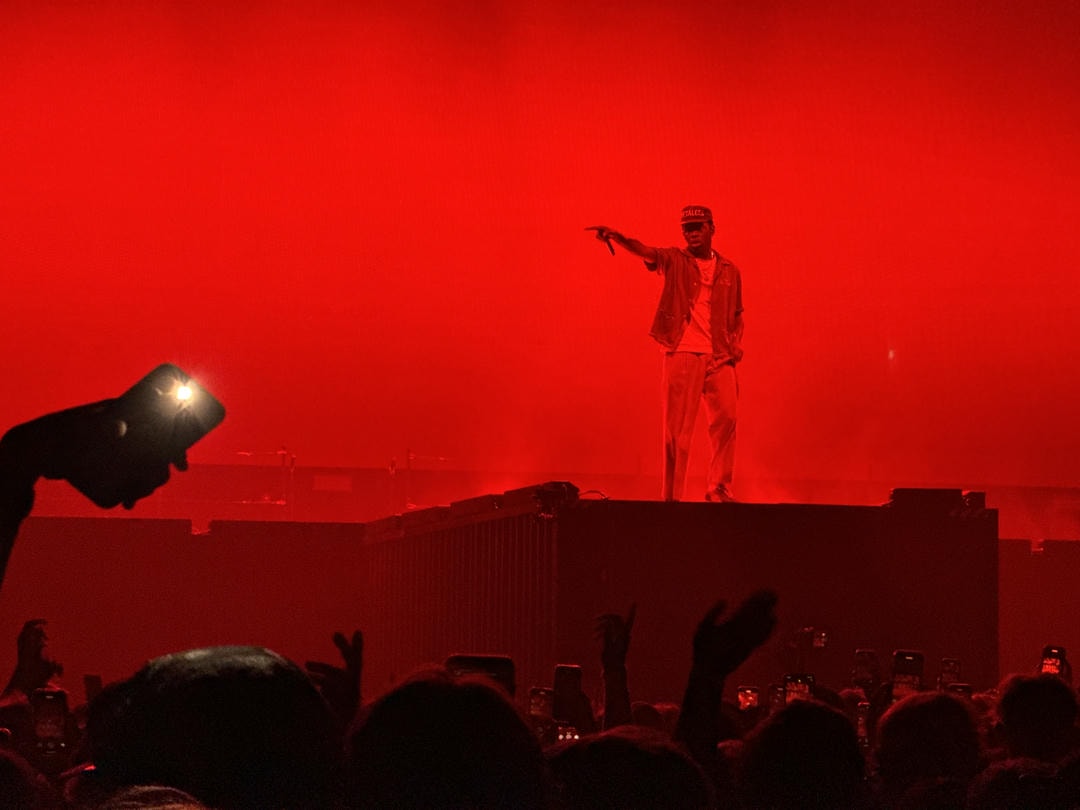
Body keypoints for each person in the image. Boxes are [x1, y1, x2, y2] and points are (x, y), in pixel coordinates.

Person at [587, 205, 744, 502]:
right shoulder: (674, 259)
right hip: (683, 348)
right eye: (687, 228)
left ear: (711, 228)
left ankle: (719, 487)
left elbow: (737, 314)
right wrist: (619, 238)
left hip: (720, 355)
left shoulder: (729, 270)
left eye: (697, 227)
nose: (692, 233)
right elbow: (646, 251)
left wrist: (735, 343)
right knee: (677, 432)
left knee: (728, 418)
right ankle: (672, 499)